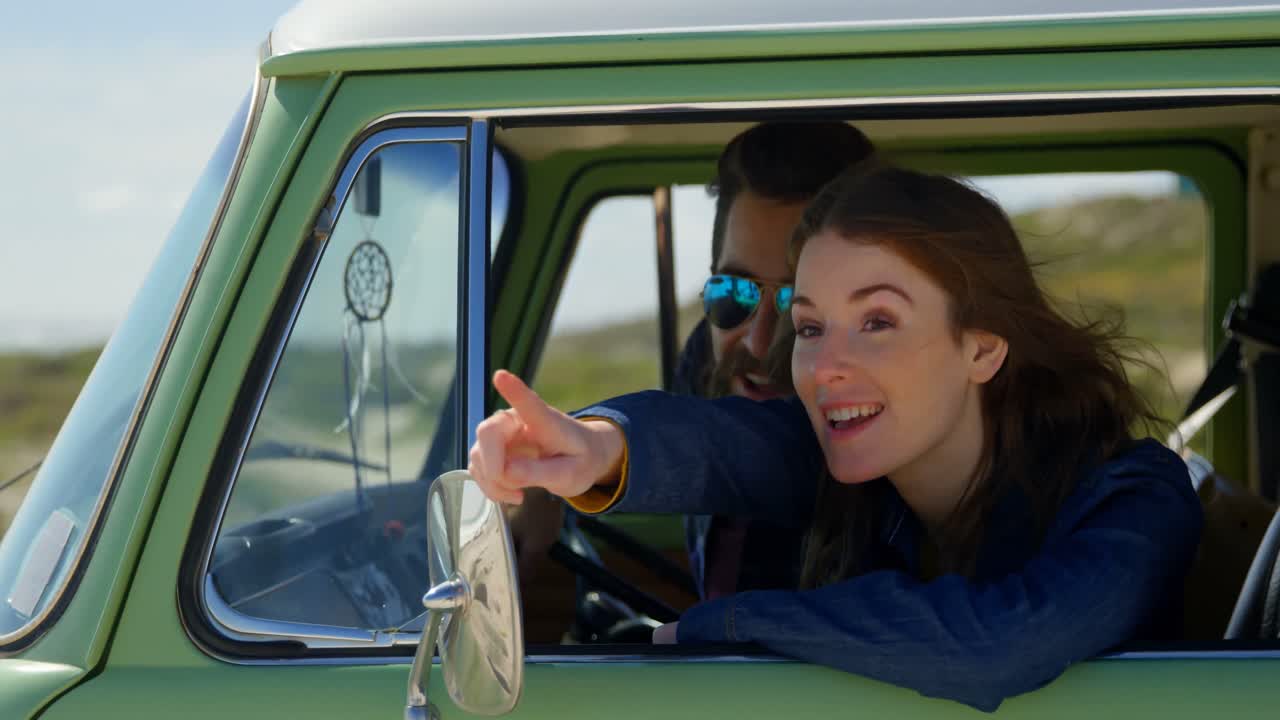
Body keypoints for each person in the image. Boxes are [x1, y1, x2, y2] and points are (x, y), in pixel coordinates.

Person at [468, 165, 1203, 711]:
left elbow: (997, 645)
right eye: (813, 327)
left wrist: (725, 626)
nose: (823, 368)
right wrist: (592, 446)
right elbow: (718, 444)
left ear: (982, 349)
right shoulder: (852, 456)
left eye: (878, 322)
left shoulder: (1132, 497)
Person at [674, 121, 875, 599]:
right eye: (734, 292)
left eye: (798, 303)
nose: (760, 343)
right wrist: (544, 491)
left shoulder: (893, 455)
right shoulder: (709, 357)